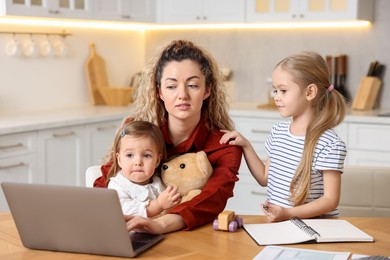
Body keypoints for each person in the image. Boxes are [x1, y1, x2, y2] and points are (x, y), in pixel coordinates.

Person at [94, 40, 242, 233]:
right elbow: (105, 182)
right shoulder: (139, 135)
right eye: (171, 86)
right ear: (159, 92)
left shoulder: (225, 146)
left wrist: (159, 224)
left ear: (207, 90)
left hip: (194, 238)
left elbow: (212, 198)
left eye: (192, 85)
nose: (182, 95)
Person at [220, 51, 347, 222]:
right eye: (275, 90)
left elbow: (330, 201)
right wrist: (246, 145)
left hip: (314, 229)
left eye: (283, 91)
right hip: (280, 225)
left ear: (310, 92)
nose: (276, 97)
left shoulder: (328, 143)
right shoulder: (278, 132)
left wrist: (287, 213)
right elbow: (264, 179)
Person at [107, 120, 181, 218]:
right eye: (129, 155)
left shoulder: (159, 182)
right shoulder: (117, 185)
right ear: (119, 160)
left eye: (146, 155)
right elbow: (124, 211)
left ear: (157, 161)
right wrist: (158, 205)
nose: (138, 162)